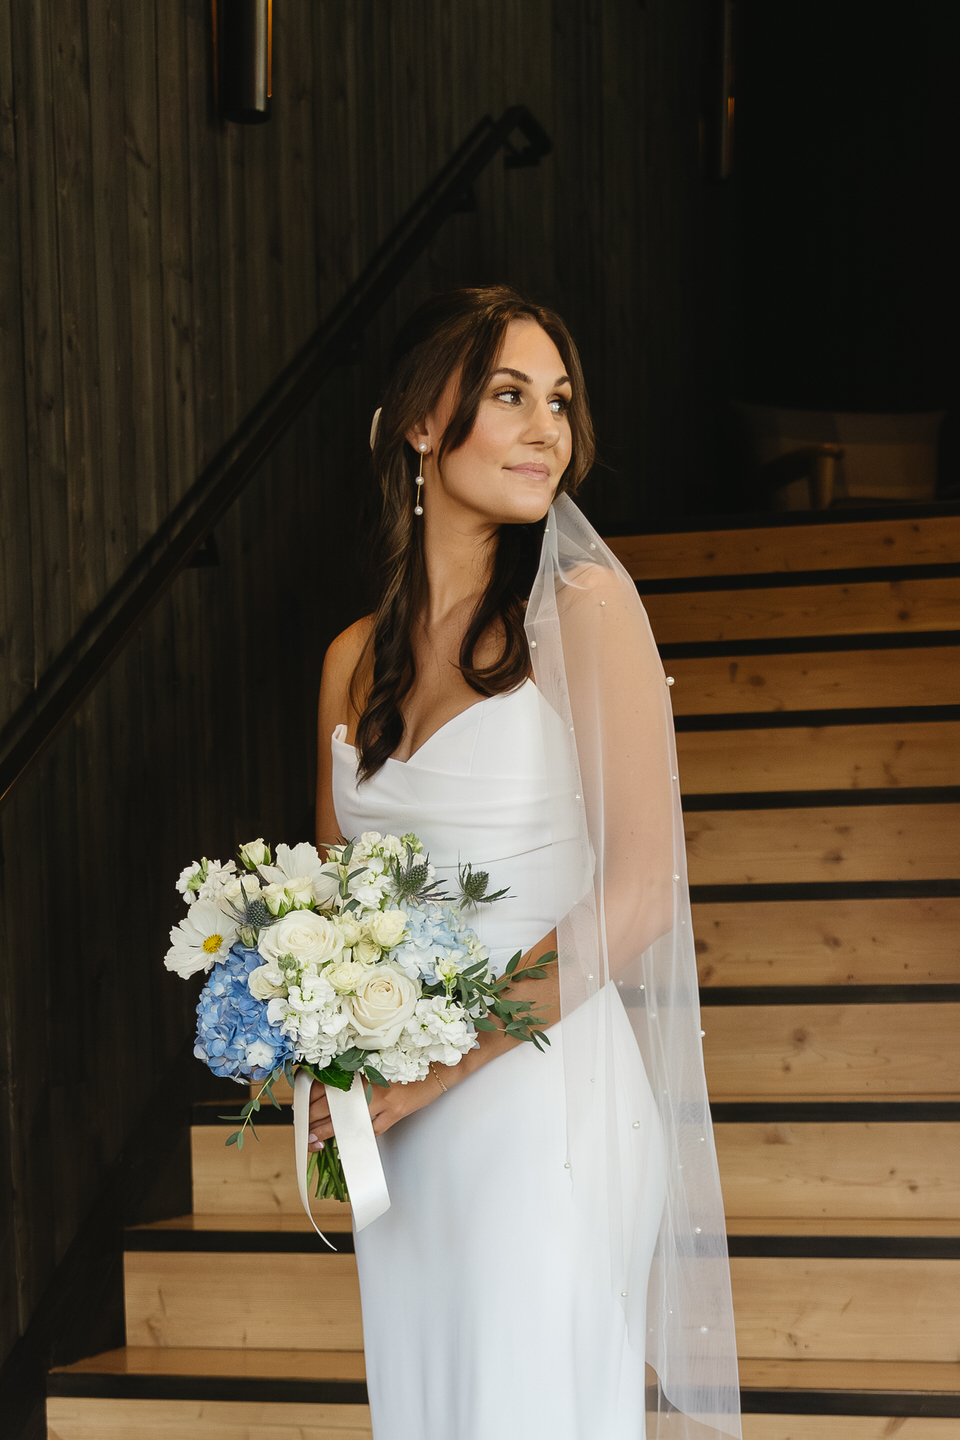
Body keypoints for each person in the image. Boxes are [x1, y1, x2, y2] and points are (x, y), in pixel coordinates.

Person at [310, 286, 741, 1440]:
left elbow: (642, 893)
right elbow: (330, 904)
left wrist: (438, 1069)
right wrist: (323, 1077)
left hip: (544, 1099)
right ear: (419, 421)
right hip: (404, 1124)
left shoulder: (584, 610)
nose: (548, 427)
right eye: (510, 395)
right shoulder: (353, 661)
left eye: (559, 400)